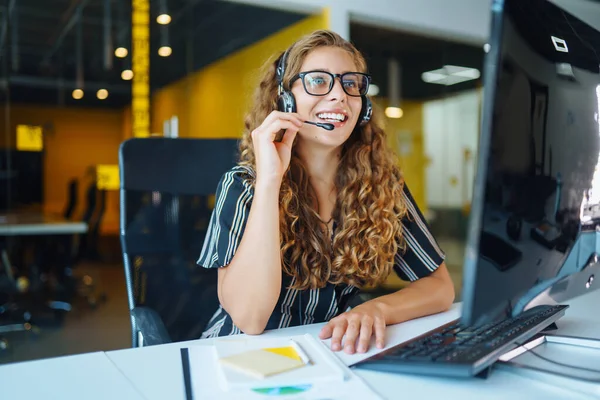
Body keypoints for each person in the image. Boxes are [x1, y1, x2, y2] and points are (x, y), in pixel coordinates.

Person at [197, 29, 455, 355]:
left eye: (351, 83)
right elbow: (250, 319)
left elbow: (440, 288)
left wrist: (375, 309)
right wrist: (270, 182)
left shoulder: (379, 184)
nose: (339, 96)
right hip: (239, 356)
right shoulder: (244, 185)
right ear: (285, 99)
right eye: (318, 81)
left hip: (325, 352)